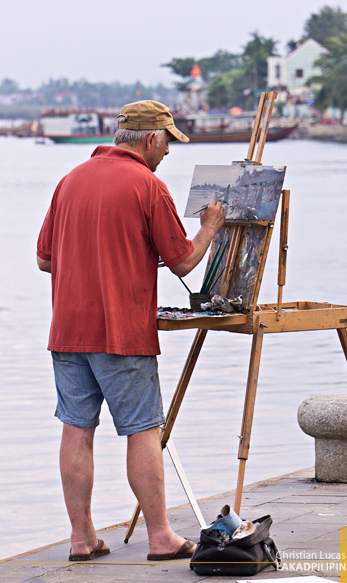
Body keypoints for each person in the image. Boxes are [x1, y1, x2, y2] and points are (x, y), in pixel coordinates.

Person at [36, 100, 225, 562]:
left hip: (68, 330)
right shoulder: (147, 183)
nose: (167, 154)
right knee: (142, 429)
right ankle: (161, 537)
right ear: (151, 139)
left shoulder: (70, 180)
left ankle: (81, 539)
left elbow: (44, 259)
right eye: (167, 144)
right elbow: (182, 259)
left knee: (76, 429)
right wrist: (210, 230)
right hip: (121, 332)